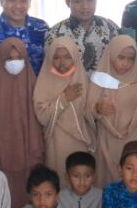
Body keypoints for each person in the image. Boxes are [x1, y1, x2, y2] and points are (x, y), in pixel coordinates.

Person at [0, 37, 45, 208]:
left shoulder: (33, 82)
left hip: (28, 148)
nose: (15, 62)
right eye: (9, 58)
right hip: (3, 150)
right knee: (6, 194)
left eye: (19, 57)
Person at [87, 35, 137, 185]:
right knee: (108, 184)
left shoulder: (134, 82)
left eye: (130, 59)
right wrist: (97, 108)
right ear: (111, 55)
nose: (126, 64)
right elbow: (87, 112)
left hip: (131, 141)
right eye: (121, 57)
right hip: (106, 141)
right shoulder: (99, 80)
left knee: (132, 182)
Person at [33, 38, 94, 178]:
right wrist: (64, 99)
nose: (62, 62)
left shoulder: (82, 79)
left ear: (75, 57)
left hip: (80, 141)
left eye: (67, 57)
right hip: (56, 142)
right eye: (56, 58)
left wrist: (97, 109)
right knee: (60, 177)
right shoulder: (44, 81)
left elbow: (90, 112)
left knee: (80, 179)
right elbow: (42, 116)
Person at [45, 0, 119, 74]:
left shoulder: (111, 28)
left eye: (90, 0)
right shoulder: (55, 33)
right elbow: (50, 71)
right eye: (78, 1)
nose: (85, 6)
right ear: (67, 2)